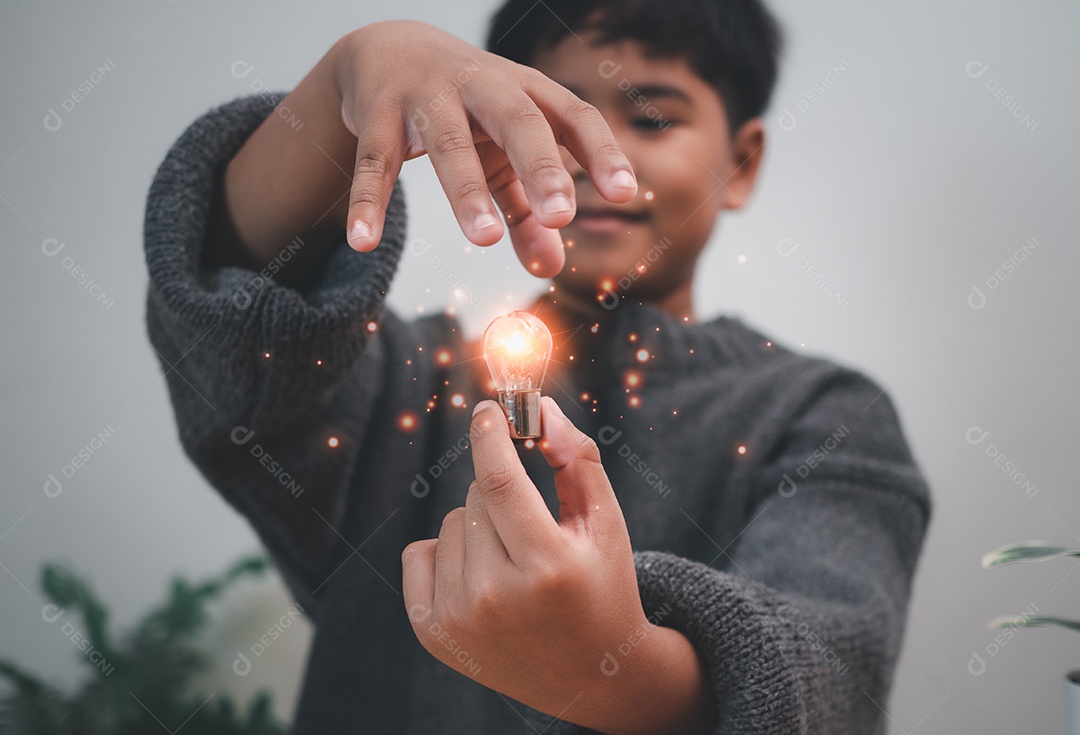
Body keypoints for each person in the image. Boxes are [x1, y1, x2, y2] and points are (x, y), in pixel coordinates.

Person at [142, 1, 933, 732]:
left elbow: (833, 680)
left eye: (652, 117)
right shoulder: (402, 382)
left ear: (743, 162)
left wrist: (616, 665)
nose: (594, 152)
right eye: (549, 113)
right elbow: (237, 327)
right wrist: (342, 84)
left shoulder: (827, 418)